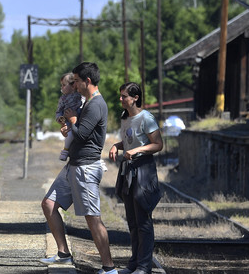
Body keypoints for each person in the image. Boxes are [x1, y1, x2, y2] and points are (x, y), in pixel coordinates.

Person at [40, 62, 117, 274]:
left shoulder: (96, 105)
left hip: (86, 167)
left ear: (87, 81)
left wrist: (73, 119)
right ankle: (63, 253)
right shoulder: (86, 102)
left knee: (93, 219)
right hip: (72, 164)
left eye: (76, 81)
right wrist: (68, 126)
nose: (73, 85)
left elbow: (82, 134)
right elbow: (77, 131)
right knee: (48, 203)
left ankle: (109, 268)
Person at [108, 82, 163, 274]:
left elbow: (158, 144)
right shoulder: (125, 118)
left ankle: (144, 266)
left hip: (143, 170)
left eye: (124, 96)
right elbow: (128, 141)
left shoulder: (146, 118)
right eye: (121, 96)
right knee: (132, 220)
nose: (121, 99)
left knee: (143, 221)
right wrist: (117, 145)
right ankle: (134, 263)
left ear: (135, 98)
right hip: (128, 171)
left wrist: (137, 150)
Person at [55, 72, 84, 161]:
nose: (62, 88)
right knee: (70, 134)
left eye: (64, 85)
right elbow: (59, 111)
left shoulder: (81, 95)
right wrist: (60, 119)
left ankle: (98, 158)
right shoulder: (62, 99)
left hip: (81, 119)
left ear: (73, 86)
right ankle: (65, 150)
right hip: (68, 121)